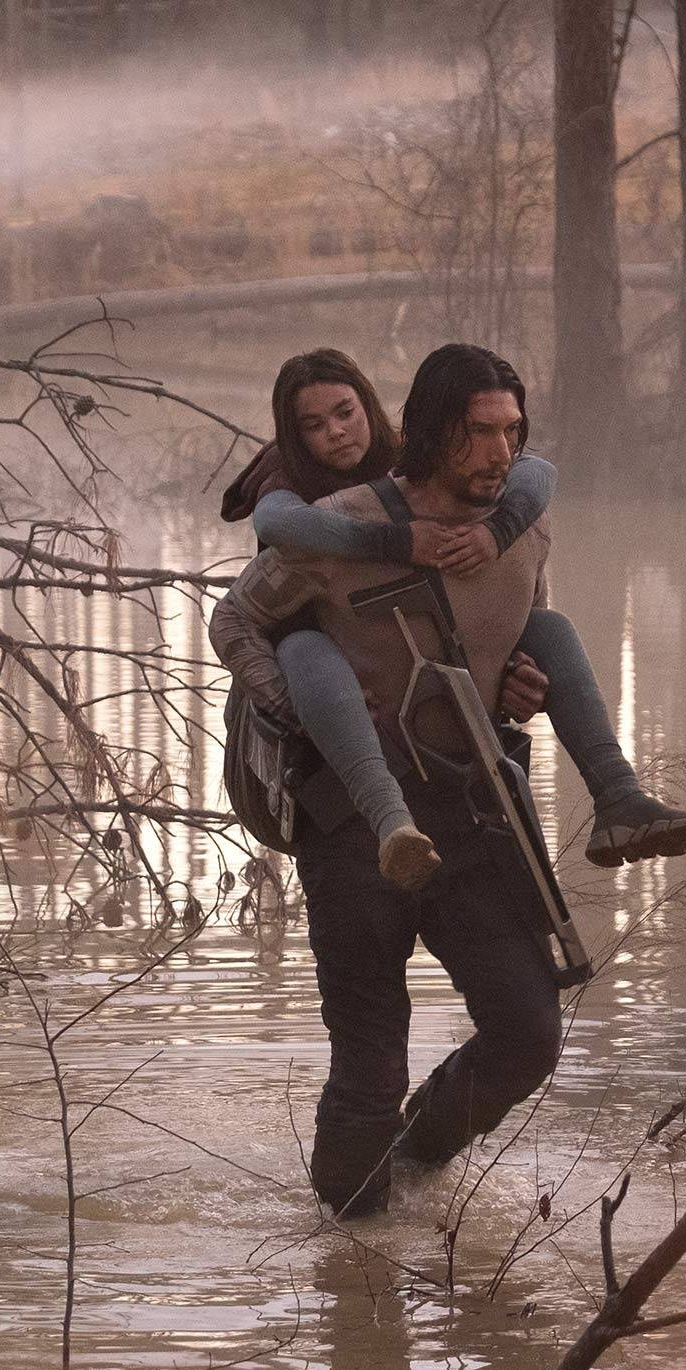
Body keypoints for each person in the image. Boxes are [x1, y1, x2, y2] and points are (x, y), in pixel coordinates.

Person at [210, 345, 600, 1216]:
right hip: (352, 821)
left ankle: (416, 1164)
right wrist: (298, 705)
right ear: (431, 434)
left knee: (529, 1035)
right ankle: (351, 1253)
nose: (500, 453)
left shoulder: (526, 519)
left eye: (511, 432)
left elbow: (521, 626)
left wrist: (522, 683)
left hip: (474, 809)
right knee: (370, 1060)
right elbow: (234, 620)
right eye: (477, 434)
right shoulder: (328, 519)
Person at [220, 348, 686, 890]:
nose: (335, 432)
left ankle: (617, 794)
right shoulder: (289, 487)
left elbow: (537, 474)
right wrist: (397, 540)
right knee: (303, 650)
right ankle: (388, 822)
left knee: (549, 630)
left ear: (370, 407)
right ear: (293, 435)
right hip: (328, 699)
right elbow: (267, 544)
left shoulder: (434, 464)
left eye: (346, 412)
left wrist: (512, 668)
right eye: (314, 424)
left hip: (455, 745)